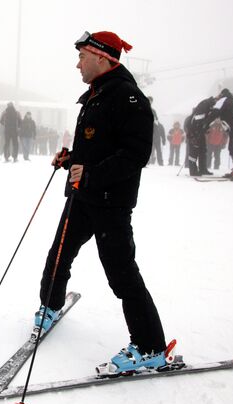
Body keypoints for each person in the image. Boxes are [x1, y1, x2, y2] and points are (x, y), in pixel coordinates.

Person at [35, 30, 169, 376]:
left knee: (121, 272)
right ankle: (49, 306)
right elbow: (97, 147)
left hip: (110, 201)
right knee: (59, 253)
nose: (77, 63)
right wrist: (71, 158)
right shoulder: (96, 95)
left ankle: (150, 346)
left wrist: (91, 174)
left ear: (103, 58)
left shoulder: (129, 98)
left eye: (82, 56)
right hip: (82, 196)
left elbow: (135, 154)